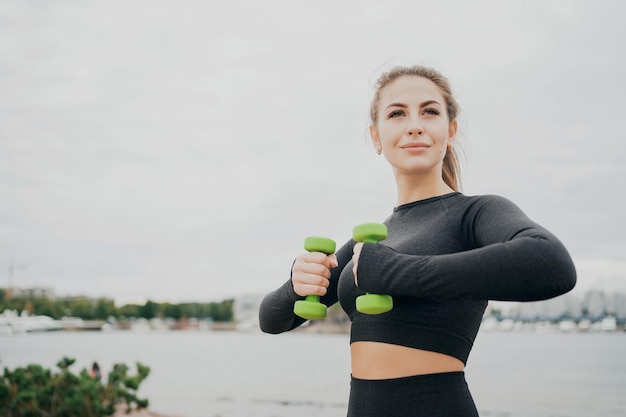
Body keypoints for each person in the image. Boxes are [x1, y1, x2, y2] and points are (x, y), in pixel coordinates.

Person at [258, 65, 577, 417]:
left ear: (450, 130)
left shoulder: (474, 214)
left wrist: (396, 272)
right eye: (397, 113)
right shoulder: (367, 244)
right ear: (376, 137)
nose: (415, 124)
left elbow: (551, 264)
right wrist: (297, 283)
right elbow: (272, 319)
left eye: (429, 111)